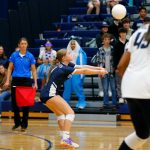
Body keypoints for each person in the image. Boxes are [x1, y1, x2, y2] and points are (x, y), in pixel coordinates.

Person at [40, 49, 107, 148]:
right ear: (63, 58)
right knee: (70, 113)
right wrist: (100, 71)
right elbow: (83, 71)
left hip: (45, 94)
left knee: (61, 115)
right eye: (68, 54)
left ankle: (65, 139)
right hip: (50, 94)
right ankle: (66, 139)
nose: (71, 54)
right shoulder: (63, 68)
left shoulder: (66, 65)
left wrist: (99, 68)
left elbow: (83, 66)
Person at [117, 19, 150, 149]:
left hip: (130, 87)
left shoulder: (137, 33)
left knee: (142, 134)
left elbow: (120, 66)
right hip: (147, 87)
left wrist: (134, 82)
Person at [4, 37, 37, 132]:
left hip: (26, 81)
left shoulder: (30, 56)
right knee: (14, 104)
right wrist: (7, 80)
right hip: (16, 81)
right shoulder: (14, 55)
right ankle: (17, 123)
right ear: (18, 45)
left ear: (27, 45)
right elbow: (10, 68)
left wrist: (35, 82)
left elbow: (34, 70)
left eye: (25, 43)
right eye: (21, 43)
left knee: (25, 104)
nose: (23, 45)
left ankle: (24, 125)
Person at [91, 33, 117, 108]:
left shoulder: (112, 48)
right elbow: (97, 61)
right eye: (105, 39)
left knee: (113, 89)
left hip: (112, 72)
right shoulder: (100, 49)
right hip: (104, 72)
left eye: (108, 39)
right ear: (103, 41)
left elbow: (115, 60)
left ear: (110, 40)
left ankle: (114, 103)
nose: (107, 41)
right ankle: (106, 104)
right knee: (105, 89)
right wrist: (99, 71)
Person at [63, 40, 87, 109]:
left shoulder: (81, 53)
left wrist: (82, 74)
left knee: (77, 86)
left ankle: (82, 102)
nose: (72, 45)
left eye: (74, 44)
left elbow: (83, 64)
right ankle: (65, 103)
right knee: (67, 88)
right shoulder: (66, 52)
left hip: (77, 72)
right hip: (67, 72)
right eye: (71, 44)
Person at [113, 28, 128, 103]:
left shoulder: (129, 43)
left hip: (128, 67)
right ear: (119, 34)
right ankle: (121, 97)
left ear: (126, 33)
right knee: (119, 83)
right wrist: (116, 67)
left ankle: (127, 97)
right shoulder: (116, 44)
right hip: (119, 67)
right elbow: (115, 57)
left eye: (124, 33)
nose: (123, 34)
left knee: (128, 82)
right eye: (121, 33)